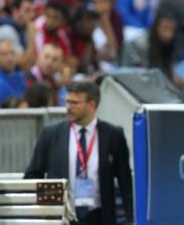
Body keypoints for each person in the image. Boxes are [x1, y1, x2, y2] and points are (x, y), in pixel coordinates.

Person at [24, 82, 133, 225]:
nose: (69, 107)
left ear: (91, 105)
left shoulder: (113, 135)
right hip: (62, 216)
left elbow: (125, 182)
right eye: (67, 102)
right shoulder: (51, 134)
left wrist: (132, 218)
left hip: (99, 216)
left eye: (75, 103)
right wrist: (42, 213)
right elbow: (33, 175)